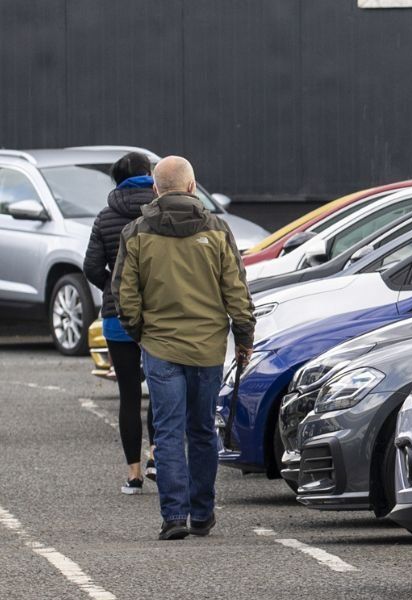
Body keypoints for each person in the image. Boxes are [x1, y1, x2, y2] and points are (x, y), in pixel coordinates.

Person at [113, 156, 254, 540]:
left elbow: (124, 294)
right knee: (203, 430)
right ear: (192, 187)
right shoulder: (217, 230)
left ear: (156, 190)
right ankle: (202, 513)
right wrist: (243, 337)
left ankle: (173, 516)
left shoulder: (137, 233)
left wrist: (140, 331)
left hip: (160, 346)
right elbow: (236, 291)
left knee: (168, 432)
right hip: (207, 347)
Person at [83, 152, 158, 494]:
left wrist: (113, 289)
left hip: (117, 317)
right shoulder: (161, 210)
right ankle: (158, 456)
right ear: (149, 174)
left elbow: (91, 267)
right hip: (160, 314)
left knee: (129, 395)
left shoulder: (105, 216)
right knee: (161, 389)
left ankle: (133, 474)